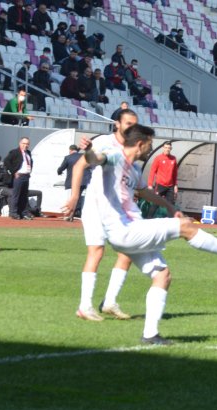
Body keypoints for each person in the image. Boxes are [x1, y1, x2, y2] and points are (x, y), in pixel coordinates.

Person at [80, 123, 217, 344]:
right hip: (125, 230)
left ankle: (150, 335)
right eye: (150, 144)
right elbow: (94, 159)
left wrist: (171, 207)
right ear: (140, 143)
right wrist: (88, 150)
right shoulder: (115, 156)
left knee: (162, 276)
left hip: (130, 232)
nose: (151, 148)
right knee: (186, 226)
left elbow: (144, 192)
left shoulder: (134, 169)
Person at [61, 109, 138, 321]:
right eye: (128, 122)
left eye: (135, 123)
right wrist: (75, 196)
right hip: (95, 206)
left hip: (116, 210)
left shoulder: (131, 148)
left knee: (128, 251)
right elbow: (80, 164)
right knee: (96, 252)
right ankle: (84, 306)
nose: (132, 126)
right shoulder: (104, 141)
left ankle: (110, 301)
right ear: (117, 124)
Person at [4, 137, 38, 220]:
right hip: (19, 177)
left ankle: (24, 212)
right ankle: (13, 213)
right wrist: (13, 172)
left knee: (24, 195)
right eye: (24, 143)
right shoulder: (15, 152)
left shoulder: (28, 153)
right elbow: (6, 161)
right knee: (16, 195)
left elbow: (29, 163)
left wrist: (29, 172)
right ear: (20, 143)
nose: (25, 145)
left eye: (27, 144)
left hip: (26, 176)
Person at [56, 144, 89, 219]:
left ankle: (71, 214)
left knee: (73, 196)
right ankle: (77, 212)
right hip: (85, 180)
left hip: (75, 181)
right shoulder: (83, 156)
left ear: (70, 150)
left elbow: (61, 168)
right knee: (81, 196)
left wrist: (59, 172)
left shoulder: (68, 157)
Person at [147, 141, 178, 210]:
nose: (167, 149)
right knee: (155, 204)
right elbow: (152, 171)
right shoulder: (158, 158)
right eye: (166, 147)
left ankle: (170, 220)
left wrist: (175, 185)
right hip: (160, 185)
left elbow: (175, 173)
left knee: (171, 205)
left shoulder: (173, 159)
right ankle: (149, 218)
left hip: (170, 186)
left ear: (171, 149)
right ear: (163, 148)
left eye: (169, 148)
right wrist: (150, 185)